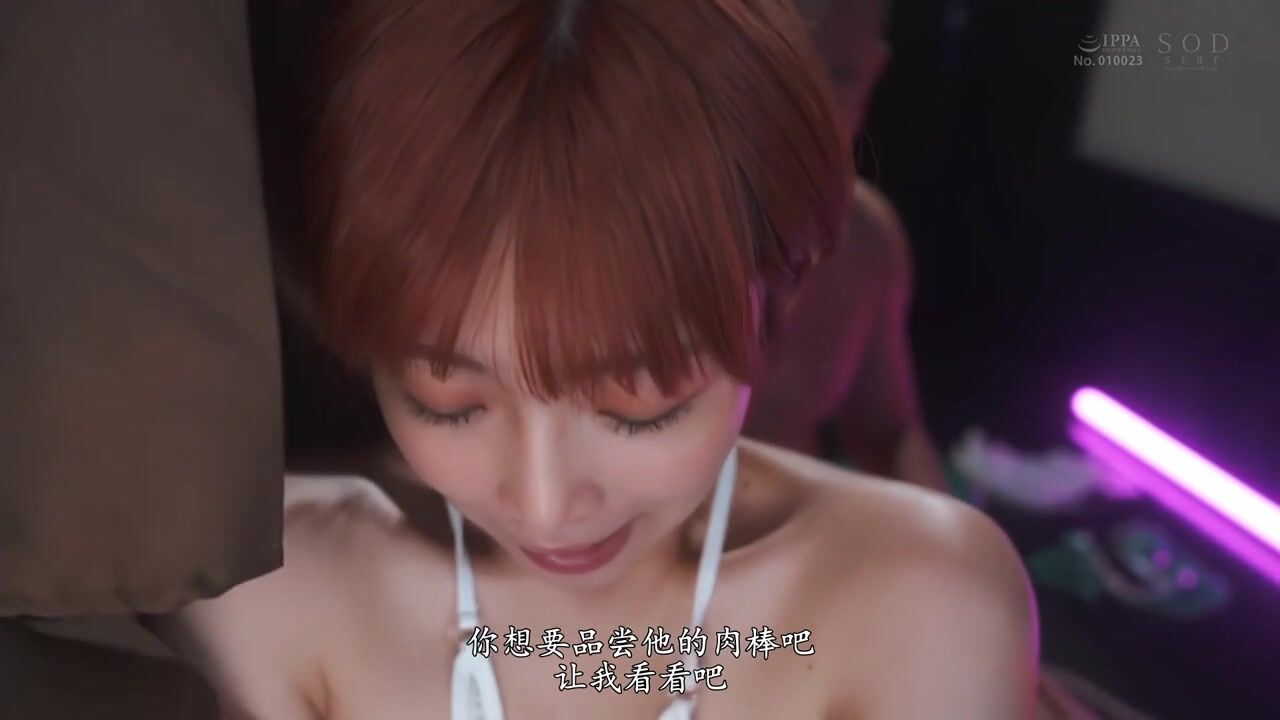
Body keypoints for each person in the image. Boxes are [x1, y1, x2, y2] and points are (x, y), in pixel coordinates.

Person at [152, 1, 1038, 718]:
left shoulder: (923, 604)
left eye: (640, 405)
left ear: (778, 300)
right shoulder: (266, 593)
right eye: (447, 399)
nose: (545, 507)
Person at [745, 0, 948, 492]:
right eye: (775, 74)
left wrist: (947, 523)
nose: (805, 113)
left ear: (873, 74)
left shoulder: (864, 240)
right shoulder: (614, 226)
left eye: (838, 78)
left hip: (786, 530)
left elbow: (888, 434)